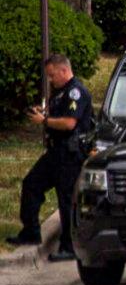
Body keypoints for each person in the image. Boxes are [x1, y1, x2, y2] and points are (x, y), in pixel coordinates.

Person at [6, 54, 93, 261]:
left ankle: (70, 247)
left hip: (69, 155)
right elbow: (57, 114)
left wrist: (44, 120)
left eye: (52, 75)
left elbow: (69, 123)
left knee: (65, 200)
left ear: (64, 70)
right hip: (55, 153)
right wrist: (44, 112)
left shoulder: (75, 92)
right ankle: (31, 232)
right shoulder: (61, 92)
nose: (50, 80)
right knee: (31, 184)